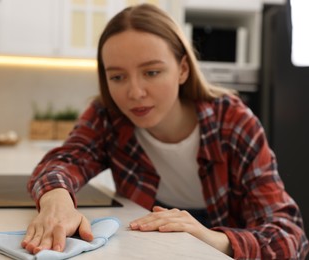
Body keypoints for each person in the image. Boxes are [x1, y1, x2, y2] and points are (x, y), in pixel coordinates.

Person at [22, 3, 309, 259]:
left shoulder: (232, 121)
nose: (135, 92)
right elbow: (62, 162)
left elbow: (290, 238)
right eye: (118, 77)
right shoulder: (108, 117)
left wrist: (211, 238)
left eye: (151, 72)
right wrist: (56, 201)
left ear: (182, 69)